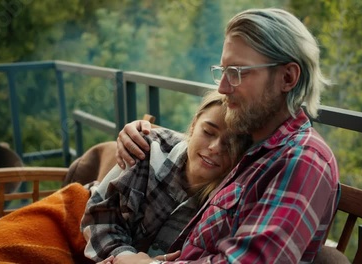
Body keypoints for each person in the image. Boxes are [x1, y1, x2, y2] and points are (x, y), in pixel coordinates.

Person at [116, 7, 340, 264]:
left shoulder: (302, 159)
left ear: (287, 78)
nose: (222, 87)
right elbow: (199, 144)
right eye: (223, 71)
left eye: (238, 73)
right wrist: (143, 134)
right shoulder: (253, 143)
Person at [81, 90, 252, 264]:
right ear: (193, 125)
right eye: (208, 132)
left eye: (231, 142)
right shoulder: (146, 148)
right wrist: (125, 256)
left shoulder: (230, 199)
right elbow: (100, 217)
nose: (215, 147)